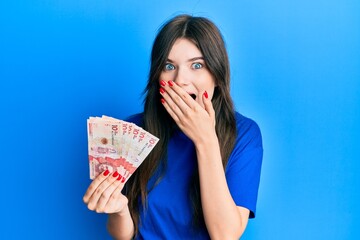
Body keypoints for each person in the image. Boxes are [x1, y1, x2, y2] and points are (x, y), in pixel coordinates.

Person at [83, 14, 263, 239]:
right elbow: (124, 235)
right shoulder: (132, 131)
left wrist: (205, 140)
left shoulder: (244, 134)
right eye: (169, 66)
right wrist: (119, 210)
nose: (180, 80)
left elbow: (225, 235)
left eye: (197, 65)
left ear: (217, 75)